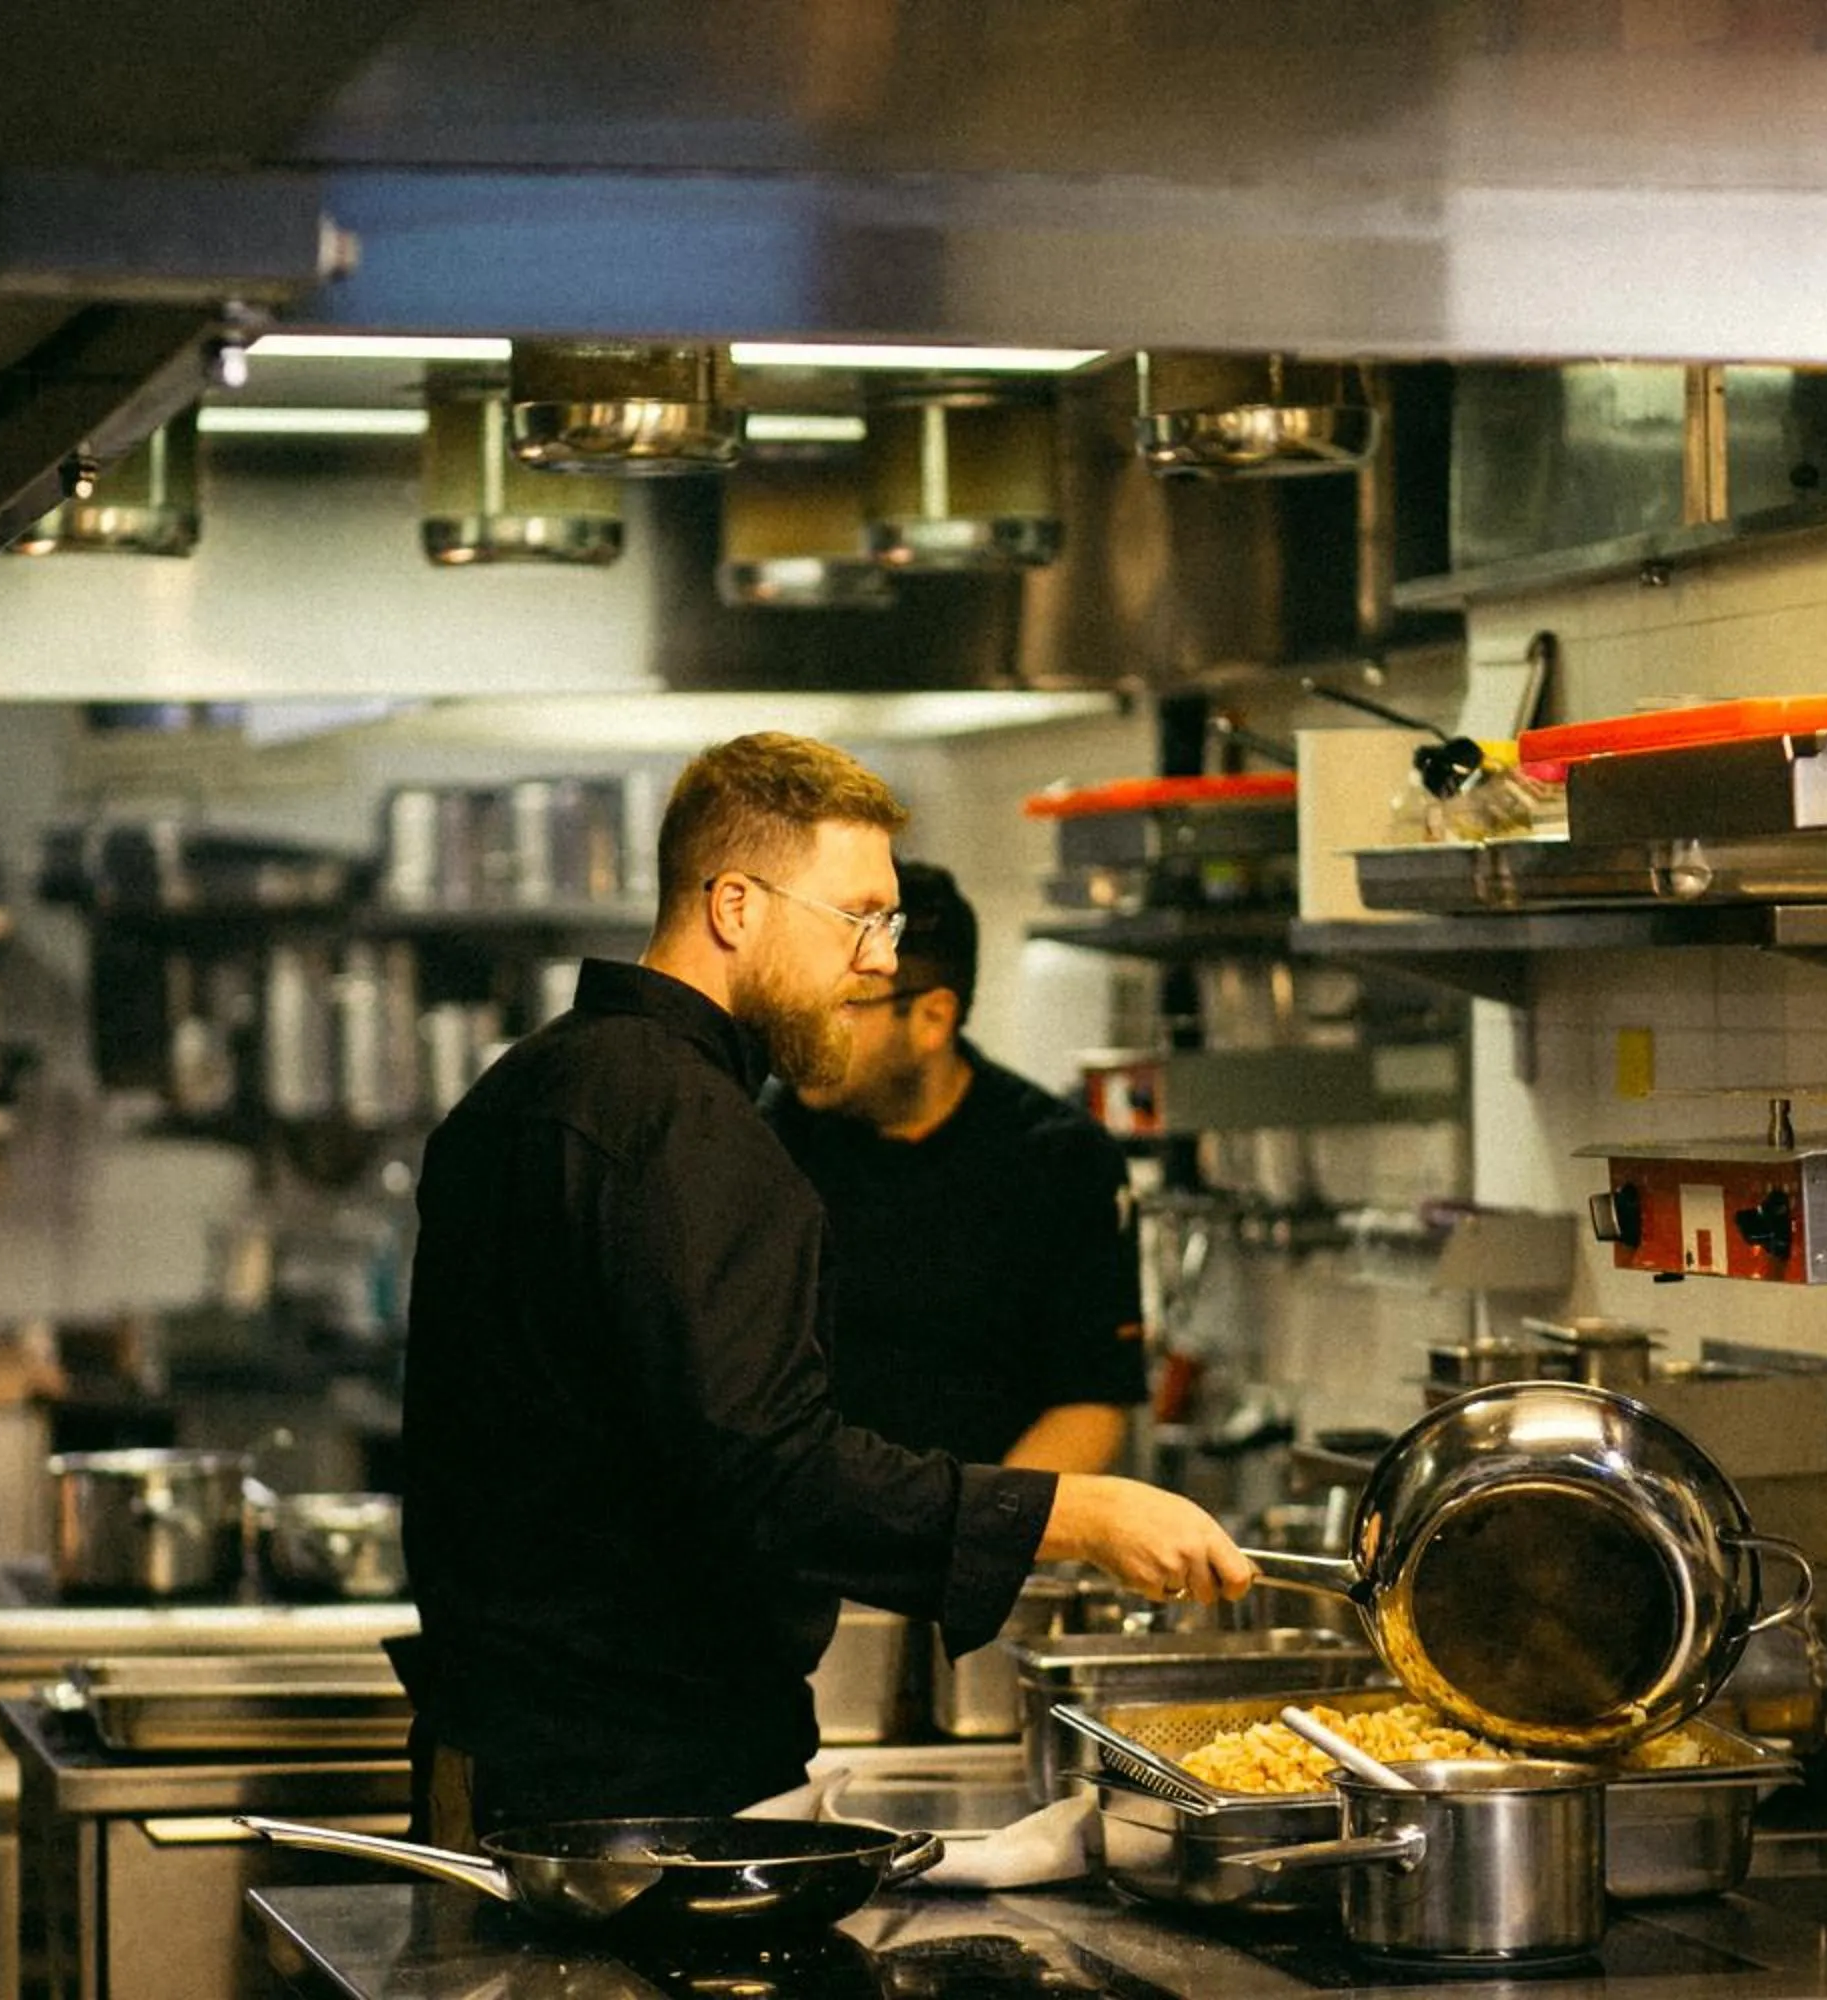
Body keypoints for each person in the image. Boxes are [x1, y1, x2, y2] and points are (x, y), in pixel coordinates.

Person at [396, 733, 1250, 1841]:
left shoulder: (531, 1085)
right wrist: (1076, 1511)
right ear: (736, 905)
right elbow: (774, 1475)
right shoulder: (695, 1135)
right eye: (860, 917)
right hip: (636, 1791)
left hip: (505, 1755)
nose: (883, 960)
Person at [770, 862, 1144, 1474]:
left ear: (933, 1019)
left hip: (978, 1543)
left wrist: (979, 1536)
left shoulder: (1059, 1160)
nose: (804, 1030)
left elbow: (1089, 1403)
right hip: (796, 1545)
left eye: (840, 1005)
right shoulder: (765, 1140)